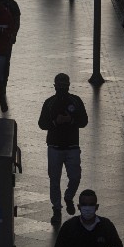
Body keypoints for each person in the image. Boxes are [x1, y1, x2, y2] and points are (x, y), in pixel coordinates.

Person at [38, 73, 88, 226]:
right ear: (55, 87)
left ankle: (68, 196)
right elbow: (42, 123)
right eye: (60, 86)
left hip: (72, 146)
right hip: (54, 146)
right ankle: (56, 209)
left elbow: (84, 121)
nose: (62, 89)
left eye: (64, 86)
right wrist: (55, 122)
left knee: (75, 177)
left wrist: (71, 120)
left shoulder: (76, 101)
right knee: (54, 179)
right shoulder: (49, 103)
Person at [53, 189, 124, 247]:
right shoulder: (69, 226)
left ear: (96, 207)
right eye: (84, 204)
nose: (87, 208)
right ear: (79, 207)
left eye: (91, 205)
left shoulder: (106, 226)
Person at [0, 0, 21, 87]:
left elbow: (16, 21)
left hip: (3, 38)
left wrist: (13, 34)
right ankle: (2, 82)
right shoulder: (12, 4)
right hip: (4, 38)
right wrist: (14, 34)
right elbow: (17, 21)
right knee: (4, 60)